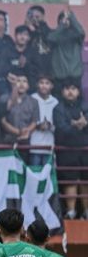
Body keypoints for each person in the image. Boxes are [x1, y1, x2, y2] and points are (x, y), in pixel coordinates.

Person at [52, 81, 88, 219]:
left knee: (86, 181)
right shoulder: (58, 108)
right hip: (66, 150)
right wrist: (79, 125)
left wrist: (81, 124)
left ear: (78, 91)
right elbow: (61, 128)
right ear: (62, 92)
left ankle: (86, 212)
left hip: (85, 150)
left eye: (73, 88)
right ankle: (71, 212)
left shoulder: (85, 105)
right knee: (70, 181)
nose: (70, 91)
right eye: (67, 88)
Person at [47, 9, 85, 91]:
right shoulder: (55, 34)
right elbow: (50, 39)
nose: (66, 21)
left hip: (75, 75)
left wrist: (71, 16)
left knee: (76, 101)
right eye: (63, 20)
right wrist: (62, 25)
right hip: (59, 76)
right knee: (59, 100)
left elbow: (81, 32)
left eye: (68, 20)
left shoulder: (76, 36)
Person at [1, 74, 39, 149]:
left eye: (24, 81)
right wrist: (18, 132)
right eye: (18, 81)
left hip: (26, 142)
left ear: (28, 86)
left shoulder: (33, 101)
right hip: (7, 142)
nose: (21, 84)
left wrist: (26, 131)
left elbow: (34, 121)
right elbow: (2, 121)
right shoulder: (4, 98)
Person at [30, 75, 58, 166]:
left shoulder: (55, 102)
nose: (44, 86)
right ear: (37, 85)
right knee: (34, 174)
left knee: (48, 175)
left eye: (47, 83)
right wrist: (38, 126)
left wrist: (50, 125)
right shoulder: (31, 99)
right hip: (33, 144)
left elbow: (58, 123)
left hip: (49, 144)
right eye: (41, 83)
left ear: (52, 86)